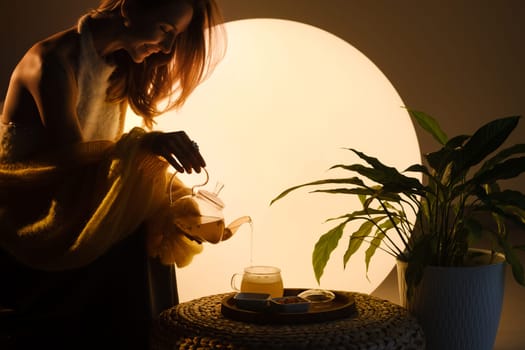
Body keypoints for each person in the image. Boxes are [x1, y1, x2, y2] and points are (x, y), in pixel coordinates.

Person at [0, 0, 226, 348]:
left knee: (160, 218)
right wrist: (147, 147)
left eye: (174, 37)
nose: (166, 47)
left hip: (78, 202)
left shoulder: (116, 65)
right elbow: (72, 168)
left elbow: (101, 171)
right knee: (136, 232)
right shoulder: (52, 62)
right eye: (165, 30)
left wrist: (173, 202)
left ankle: (157, 338)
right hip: (34, 214)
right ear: (131, 6)